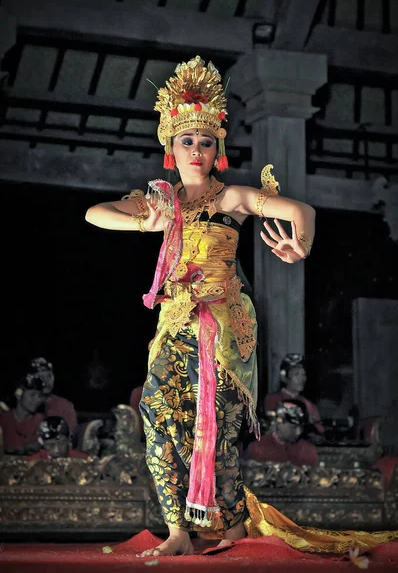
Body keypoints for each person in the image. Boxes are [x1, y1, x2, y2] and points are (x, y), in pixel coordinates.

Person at [85, 56, 397, 556]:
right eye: (186, 140)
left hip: (222, 326)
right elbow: (95, 214)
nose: (196, 149)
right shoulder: (160, 203)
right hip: (172, 322)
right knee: (158, 413)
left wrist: (302, 245)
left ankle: (230, 528)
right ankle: (179, 533)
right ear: (170, 145)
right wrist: (145, 223)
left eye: (206, 141)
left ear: (217, 149)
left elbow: (301, 210)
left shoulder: (228, 199)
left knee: (216, 425)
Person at [243, 399, 319, 467]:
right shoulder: (257, 447)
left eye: (301, 427)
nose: (298, 432)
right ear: (278, 423)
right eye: (293, 427)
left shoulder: (308, 450)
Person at [264, 353, 324, 436]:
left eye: (303, 374)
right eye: (296, 374)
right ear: (284, 377)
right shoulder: (273, 399)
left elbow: (320, 431)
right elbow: (272, 427)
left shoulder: (308, 404)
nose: (302, 379)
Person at [30, 357, 78, 434]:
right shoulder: (23, 406)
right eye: (41, 376)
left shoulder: (65, 406)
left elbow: (72, 439)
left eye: (49, 375)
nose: (46, 380)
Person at [0, 374, 45, 455]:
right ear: (18, 395)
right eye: (32, 395)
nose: (38, 399)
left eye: (39, 395)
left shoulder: (41, 421)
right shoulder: (3, 420)